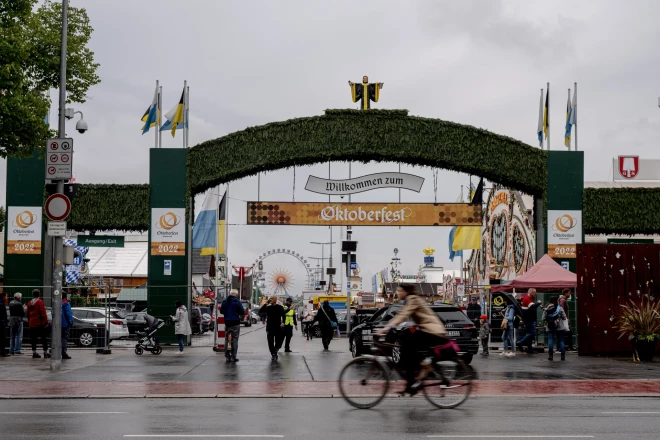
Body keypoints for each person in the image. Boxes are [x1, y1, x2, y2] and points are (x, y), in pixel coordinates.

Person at [378, 284, 448, 394]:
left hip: (433, 331)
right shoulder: (409, 300)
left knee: (407, 347)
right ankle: (413, 380)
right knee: (408, 344)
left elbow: (403, 315)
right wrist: (389, 326)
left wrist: (386, 328)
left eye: (400, 291)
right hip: (430, 330)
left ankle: (422, 370)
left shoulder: (413, 299)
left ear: (406, 291)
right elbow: (401, 314)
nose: (398, 293)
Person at [220, 289, 245, 363]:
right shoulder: (237, 302)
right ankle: (233, 357)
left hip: (227, 322)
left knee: (227, 339)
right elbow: (242, 311)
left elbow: (221, 311)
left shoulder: (225, 301)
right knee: (235, 339)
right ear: (236, 295)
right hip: (235, 323)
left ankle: (227, 356)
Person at [26, 289, 50, 359]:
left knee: (33, 339)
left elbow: (27, 313)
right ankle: (45, 352)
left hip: (32, 323)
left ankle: (34, 352)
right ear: (39, 294)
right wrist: (45, 322)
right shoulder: (40, 302)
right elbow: (43, 313)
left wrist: (29, 320)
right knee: (44, 338)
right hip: (39, 323)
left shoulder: (29, 303)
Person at [543, 296, 568, 361]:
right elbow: (564, 317)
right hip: (559, 325)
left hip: (550, 325)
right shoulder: (559, 308)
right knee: (560, 340)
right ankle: (562, 356)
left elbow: (543, 318)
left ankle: (550, 355)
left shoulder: (546, 307)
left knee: (550, 340)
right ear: (557, 300)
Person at [61, 293, 74, 360]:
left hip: (57, 324)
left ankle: (55, 351)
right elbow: (69, 314)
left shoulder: (57, 304)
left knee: (57, 338)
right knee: (64, 338)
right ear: (65, 298)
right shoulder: (66, 304)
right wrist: (71, 322)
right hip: (65, 324)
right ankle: (63, 353)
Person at [0, 292, 9, 357]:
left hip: (1, 322)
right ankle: (2, 352)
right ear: (3, 297)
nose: (7, 297)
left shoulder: (1, 303)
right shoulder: (1, 304)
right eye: (6, 296)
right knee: (2, 337)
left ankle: (2, 351)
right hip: (1, 323)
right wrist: (4, 321)